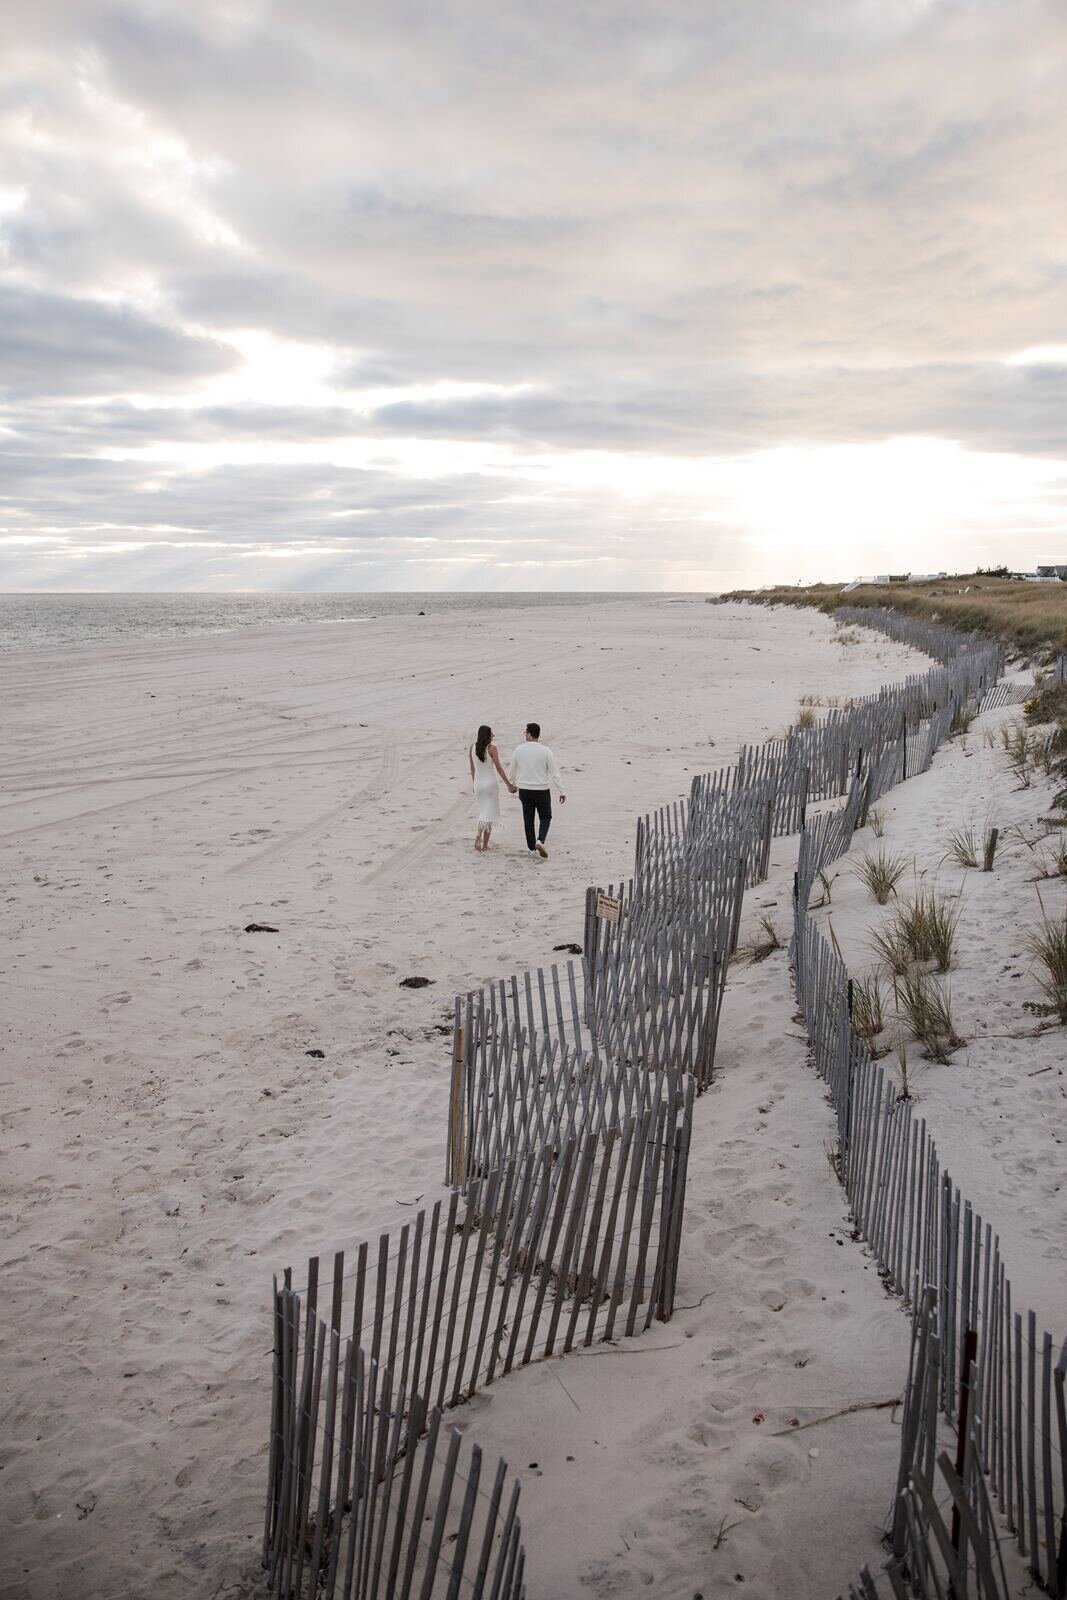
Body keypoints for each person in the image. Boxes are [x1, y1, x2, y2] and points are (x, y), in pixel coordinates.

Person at [507, 722, 566, 859]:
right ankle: (540, 840)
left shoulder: (519, 750)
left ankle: (532, 850)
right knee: (545, 816)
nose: (524, 734)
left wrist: (512, 785)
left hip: (525, 790)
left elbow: (512, 770)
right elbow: (554, 773)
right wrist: (562, 791)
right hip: (541, 790)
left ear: (529, 733)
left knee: (528, 819)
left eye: (525, 732)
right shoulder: (545, 751)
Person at [468, 724, 515, 852]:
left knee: (484, 811)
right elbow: (499, 768)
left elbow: (472, 769)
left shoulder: (472, 748)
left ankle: (481, 839)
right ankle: (481, 840)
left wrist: (474, 783)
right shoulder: (492, 748)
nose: (493, 735)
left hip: (478, 784)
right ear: (487, 735)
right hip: (490, 785)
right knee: (490, 813)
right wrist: (508, 784)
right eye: (491, 733)